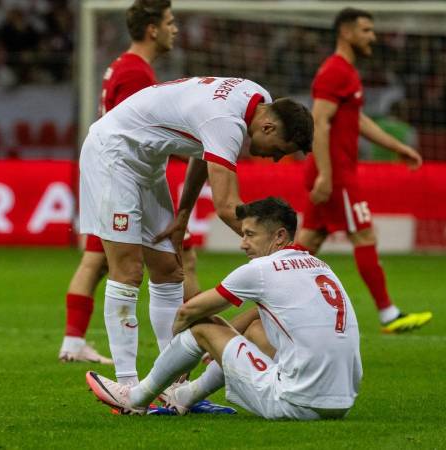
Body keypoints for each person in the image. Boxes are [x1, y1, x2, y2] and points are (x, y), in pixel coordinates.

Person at [79, 74, 313, 391]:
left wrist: (184, 212)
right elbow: (227, 206)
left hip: (146, 162)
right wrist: (281, 258)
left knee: (169, 270)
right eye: (279, 150)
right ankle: (127, 385)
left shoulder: (255, 97)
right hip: (112, 155)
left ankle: (170, 383)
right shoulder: (227, 121)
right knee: (129, 270)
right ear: (268, 128)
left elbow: (205, 149)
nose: (275, 158)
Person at [86, 197, 362, 419]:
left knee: (203, 326)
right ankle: (183, 397)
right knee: (256, 330)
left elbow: (187, 313)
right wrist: (225, 344)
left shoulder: (262, 269)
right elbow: (259, 314)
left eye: (250, 235)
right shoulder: (318, 265)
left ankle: (135, 397)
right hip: (341, 402)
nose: (243, 244)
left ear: (279, 236)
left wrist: (187, 350)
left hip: (296, 402)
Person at [295, 8, 432, 333]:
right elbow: (320, 122)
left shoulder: (346, 72)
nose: (373, 36)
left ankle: (270, 300)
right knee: (364, 234)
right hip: (336, 173)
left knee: (309, 243)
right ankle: (389, 314)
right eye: (366, 30)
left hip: (333, 171)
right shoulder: (334, 71)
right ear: (346, 32)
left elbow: (355, 119)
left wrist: (397, 146)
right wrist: (327, 175)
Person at [59, 0, 179, 364]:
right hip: (121, 178)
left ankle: (73, 341)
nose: (175, 29)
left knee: (96, 261)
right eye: (170, 22)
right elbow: (134, 133)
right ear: (152, 29)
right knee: (165, 261)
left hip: (111, 175)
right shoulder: (136, 73)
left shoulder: (122, 66)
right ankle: (189, 342)